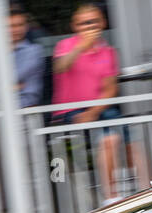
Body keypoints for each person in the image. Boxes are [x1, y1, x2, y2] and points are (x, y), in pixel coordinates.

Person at [51, 4, 125, 201]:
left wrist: (92, 112)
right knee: (93, 146)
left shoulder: (108, 51)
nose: (89, 27)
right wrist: (80, 49)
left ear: (102, 23)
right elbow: (59, 67)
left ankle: (115, 197)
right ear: (75, 26)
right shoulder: (65, 45)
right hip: (68, 112)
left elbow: (110, 89)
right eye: (83, 23)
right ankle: (105, 198)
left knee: (124, 138)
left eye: (93, 22)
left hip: (98, 109)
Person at [0, 5, 45, 108]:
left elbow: (10, 76)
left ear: (26, 27)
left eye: (20, 25)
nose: (16, 29)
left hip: (24, 109)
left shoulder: (34, 51)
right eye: (11, 26)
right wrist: (14, 87)